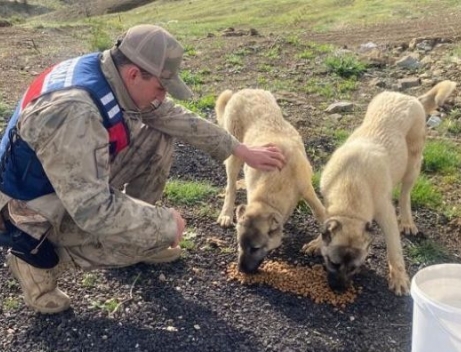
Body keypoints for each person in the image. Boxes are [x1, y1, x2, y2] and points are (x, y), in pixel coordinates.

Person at [0, 24, 286, 314]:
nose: (161, 97)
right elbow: (93, 210)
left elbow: (168, 115)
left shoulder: (110, 69)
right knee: (151, 228)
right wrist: (161, 224)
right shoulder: (75, 112)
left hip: (65, 177)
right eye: (160, 87)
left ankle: (139, 237)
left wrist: (239, 149)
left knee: (158, 133)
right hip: (29, 207)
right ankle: (33, 260)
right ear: (135, 74)